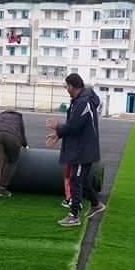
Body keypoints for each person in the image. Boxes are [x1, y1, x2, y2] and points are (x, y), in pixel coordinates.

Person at [46, 73, 106, 228]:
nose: (66, 90)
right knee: (82, 181)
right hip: (82, 147)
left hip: (82, 150)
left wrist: (58, 127)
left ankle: (74, 215)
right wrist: (58, 134)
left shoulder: (83, 102)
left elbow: (74, 126)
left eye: (67, 87)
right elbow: (74, 126)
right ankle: (96, 204)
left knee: (75, 180)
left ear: (72, 86)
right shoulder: (80, 101)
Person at [0, 108, 28, 201]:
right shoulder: (18, 117)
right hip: (12, 136)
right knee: (12, 161)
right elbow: (22, 132)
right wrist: (25, 145)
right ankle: (2, 188)